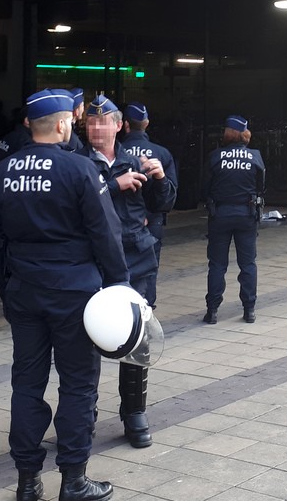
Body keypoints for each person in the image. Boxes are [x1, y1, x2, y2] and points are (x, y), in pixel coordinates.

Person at [0, 88, 128, 501]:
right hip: (75, 295)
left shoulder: (1, 172)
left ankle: (28, 481)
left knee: (26, 384)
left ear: (31, 125)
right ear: (63, 124)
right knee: (78, 386)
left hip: (25, 292)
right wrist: (120, 287)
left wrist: (8, 290)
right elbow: (106, 234)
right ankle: (74, 480)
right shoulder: (80, 169)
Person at [84, 95, 176, 450]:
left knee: (137, 339)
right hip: (93, 262)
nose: (96, 128)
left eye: (103, 122)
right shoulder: (77, 164)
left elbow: (163, 204)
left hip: (136, 259)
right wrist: (112, 185)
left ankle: (134, 412)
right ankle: (84, 413)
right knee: (87, 339)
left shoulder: (134, 159)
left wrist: (160, 178)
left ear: (119, 126)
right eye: (91, 122)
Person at [202, 115, 265, 323]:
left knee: (217, 265)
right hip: (246, 215)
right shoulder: (255, 156)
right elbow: (261, 187)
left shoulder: (215, 157)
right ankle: (249, 309)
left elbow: (205, 186)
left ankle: (212, 311)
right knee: (248, 264)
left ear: (228, 133)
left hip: (219, 214)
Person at [121, 102, 178, 309]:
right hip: (152, 223)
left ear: (125, 125)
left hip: (120, 224)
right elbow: (169, 199)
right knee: (148, 271)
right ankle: (145, 313)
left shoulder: (115, 152)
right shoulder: (161, 154)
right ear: (146, 124)